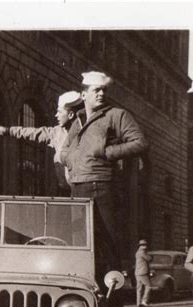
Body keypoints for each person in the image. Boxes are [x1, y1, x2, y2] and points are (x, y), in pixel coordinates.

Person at [60, 71, 149, 271]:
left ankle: (113, 298)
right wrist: (71, 158)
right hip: (77, 188)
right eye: (96, 90)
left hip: (102, 187)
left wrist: (106, 152)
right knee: (80, 244)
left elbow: (140, 143)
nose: (101, 94)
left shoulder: (116, 115)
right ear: (84, 95)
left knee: (108, 243)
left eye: (103, 90)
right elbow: (65, 149)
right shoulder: (77, 122)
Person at [0, 91, 83, 190]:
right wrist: (7, 131)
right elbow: (34, 132)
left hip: (82, 187)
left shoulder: (85, 133)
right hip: (65, 190)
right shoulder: (56, 133)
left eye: (59, 112)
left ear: (71, 115)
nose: (56, 115)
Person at [134, 239, 153, 307]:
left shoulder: (138, 252)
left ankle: (138, 302)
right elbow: (149, 258)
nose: (145, 246)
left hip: (137, 272)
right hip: (143, 272)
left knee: (139, 288)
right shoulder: (142, 252)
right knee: (148, 286)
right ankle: (144, 301)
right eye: (144, 245)